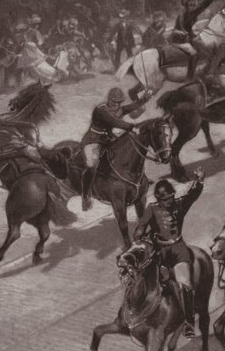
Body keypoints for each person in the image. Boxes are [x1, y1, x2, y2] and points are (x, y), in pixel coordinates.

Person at [134, 175, 205, 335]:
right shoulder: (151, 208)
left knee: (185, 284)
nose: (170, 201)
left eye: (171, 197)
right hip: (159, 250)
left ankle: (188, 322)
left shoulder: (179, 205)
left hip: (178, 249)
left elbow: (192, 196)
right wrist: (138, 237)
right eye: (166, 199)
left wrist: (199, 182)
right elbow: (141, 226)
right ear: (159, 199)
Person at [79, 88, 147, 212]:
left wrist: (145, 99)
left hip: (108, 139)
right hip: (94, 140)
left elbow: (131, 107)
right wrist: (132, 127)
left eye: (119, 102)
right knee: (92, 165)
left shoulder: (118, 108)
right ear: (109, 99)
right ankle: (85, 195)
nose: (117, 104)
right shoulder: (101, 110)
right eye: (114, 101)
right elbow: (113, 121)